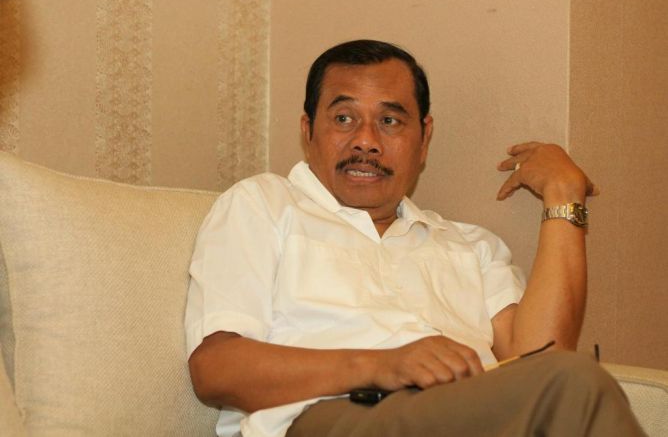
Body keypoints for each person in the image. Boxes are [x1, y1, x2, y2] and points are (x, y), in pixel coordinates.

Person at [185, 40, 644, 437]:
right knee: (573, 382)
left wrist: (563, 193)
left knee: (568, 383)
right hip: (332, 416)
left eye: (390, 121)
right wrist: (383, 365)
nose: (365, 141)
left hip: (462, 413)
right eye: (344, 118)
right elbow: (216, 368)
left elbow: (543, 362)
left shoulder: (471, 247)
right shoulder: (264, 204)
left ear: (424, 139)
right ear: (308, 132)